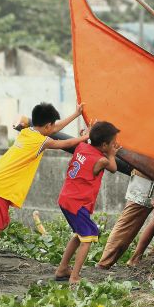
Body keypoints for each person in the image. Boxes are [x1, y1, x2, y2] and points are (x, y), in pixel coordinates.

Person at [0, 103, 88, 282]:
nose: (53, 128)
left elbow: (55, 128)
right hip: (0, 187)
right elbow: (65, 143)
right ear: (47, 126)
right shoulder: (43, 141)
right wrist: (86, 137)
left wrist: (76, 114)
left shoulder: (27, 132)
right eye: (51, 125)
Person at [55, 121, 120, 284]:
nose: (115, 145)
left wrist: (87, 132)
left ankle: (63, 269)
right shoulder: (102, 160)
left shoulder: (81, 147)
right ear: (105, 145)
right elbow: (113, 168)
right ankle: (75, 277)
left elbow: (86, 141)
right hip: (77, 203)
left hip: (66, 198)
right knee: (89, 236)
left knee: (80, 234)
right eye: (113, 143)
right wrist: (112, 154)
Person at [95, 173, 154, 270]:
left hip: (148, 178)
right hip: (147, 180)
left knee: (132, 220)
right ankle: (104, 262)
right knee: (130, 220)